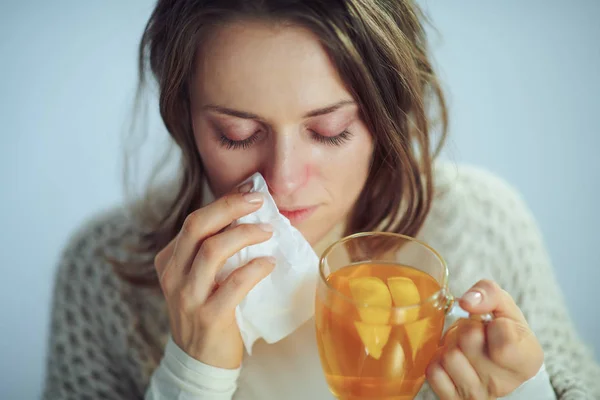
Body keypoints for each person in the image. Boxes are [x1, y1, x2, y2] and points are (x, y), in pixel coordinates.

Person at [43, 0, 600, 399]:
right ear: (184, 123)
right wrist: (190, 378)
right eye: (237, 134)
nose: (283, 181)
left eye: (330, 130)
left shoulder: (483, 224)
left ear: (387, 119)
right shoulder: (105, 272)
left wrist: (531, 393)